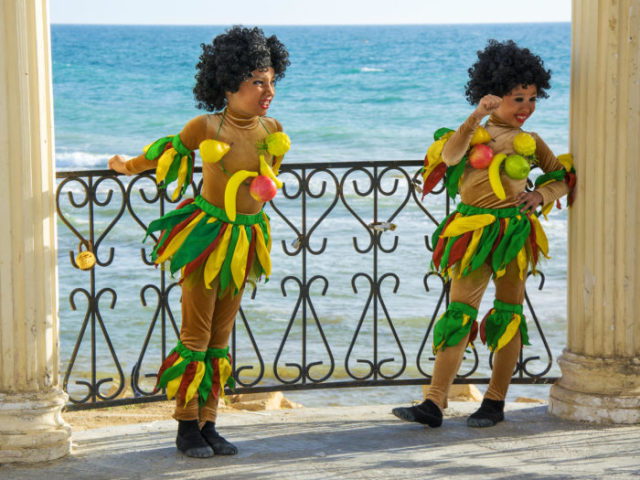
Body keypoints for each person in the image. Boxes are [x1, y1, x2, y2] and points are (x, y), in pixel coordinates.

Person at [109, 26, 290, 457]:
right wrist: (124, 165)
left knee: (221, 337)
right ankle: (185, 425)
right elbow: (165, 152)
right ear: (228, 85)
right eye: (257, 82)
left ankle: (210, 423)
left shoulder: (273, 128)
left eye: (271, 82)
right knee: (196, 333)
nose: (268, 91)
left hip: (244, 240)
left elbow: (267, 179)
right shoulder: (206, 125)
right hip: (206, 239)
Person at [393, 39, 576, 428]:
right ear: (491, 95)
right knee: (459, 314)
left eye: (531, 98)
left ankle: (494, 402)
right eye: (516, 99)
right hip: (472, 233)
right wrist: (475, 117)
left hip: (513, 235)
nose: (525, 107)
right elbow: (449, 157)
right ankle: (434, 403)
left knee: (508, 314)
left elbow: (562, 176)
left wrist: (541, 193)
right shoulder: (473, 133)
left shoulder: (532, 142)